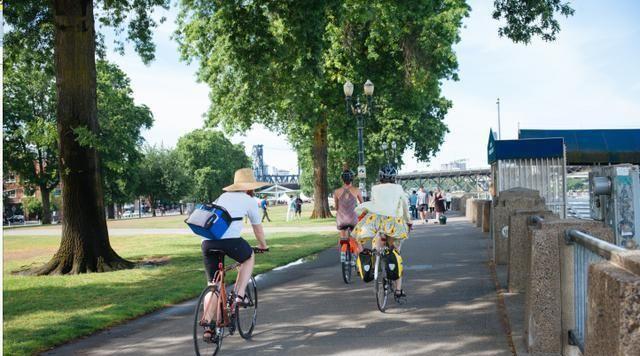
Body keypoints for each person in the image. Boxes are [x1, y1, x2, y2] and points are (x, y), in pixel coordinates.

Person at [200, 168, 269, 340]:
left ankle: (208, 326)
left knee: (213, 284)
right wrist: (263, 245)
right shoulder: (249, 200)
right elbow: (257, 229)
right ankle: (239, 295)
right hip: (231, 242)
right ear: (249, 187)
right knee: (248, 258)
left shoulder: (221, 197)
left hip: (208, 243)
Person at [353, 164, 411, 299]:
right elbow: (404, 206)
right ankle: (398, 290)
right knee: (395, 252)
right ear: (394, 178)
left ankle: (375, 259)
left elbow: (375, 205)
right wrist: (408, 221)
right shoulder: (398, 188)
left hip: (377, 220)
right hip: (393, 222)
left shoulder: (375, 188)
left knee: (376, 241)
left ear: (380, 177)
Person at [334, 169, 364, 241]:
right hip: (353, 220)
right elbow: (362, 205)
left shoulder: (336, 191)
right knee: (357, 239)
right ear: (352, 179)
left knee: (342, 237)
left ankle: (343, 249)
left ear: (342, 179)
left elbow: (336, 207)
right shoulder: (357, 190)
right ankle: (358, 251)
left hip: (341, 221)